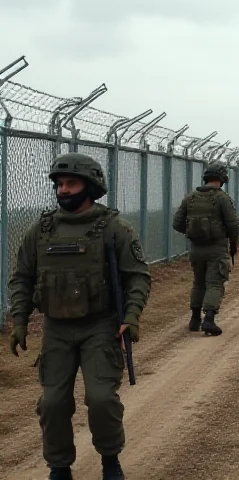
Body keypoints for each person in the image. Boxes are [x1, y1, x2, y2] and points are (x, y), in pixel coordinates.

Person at [7, 152, 151, 480]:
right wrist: (19, 320)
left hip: (100, 326)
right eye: (60, 184)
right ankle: (59, 466)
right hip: (56, 328)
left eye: (72, 183)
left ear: (90, 185)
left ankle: (110, 460)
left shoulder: (114, 227)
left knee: (101, 399)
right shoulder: (41, 230)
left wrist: (132, 315)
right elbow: (22, 278)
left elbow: (138, 276)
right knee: (53, 403)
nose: (64, 190)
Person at [172, 161, 239, 336]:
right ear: (223, 179)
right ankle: (209, 319)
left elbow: (177, 223)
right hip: (217, 248)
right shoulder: (222, 198)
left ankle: (195, 319)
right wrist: (233, 245)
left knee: (198, 283)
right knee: (215, 283)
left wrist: (194, 233)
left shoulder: (190, 197)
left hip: (196, 249)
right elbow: (233, 225)